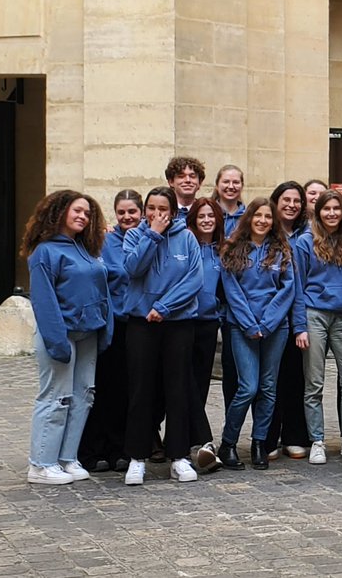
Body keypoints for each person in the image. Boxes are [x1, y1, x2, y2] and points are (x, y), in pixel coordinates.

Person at [24, 190, 112, 485]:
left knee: (84, 396)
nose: (83, 217)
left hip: (88, 334)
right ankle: (41, 464)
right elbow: (44, 301)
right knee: (56, 397)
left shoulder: (86, 249)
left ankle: (66, 458)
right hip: (60, 336)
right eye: (77, 211)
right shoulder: (45, 252)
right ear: (59, 212)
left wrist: (106, 327)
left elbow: (102, 290)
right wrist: (57, 341)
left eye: (87, 213)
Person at [122, 186, 203, 486]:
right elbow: (133, 269)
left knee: (177, 390)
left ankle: (179, 456)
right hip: (141, 323)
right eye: (152, 208)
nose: (157, 214)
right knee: (140, 390)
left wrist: (165, 307)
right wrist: (152, 235)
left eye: (163, 209)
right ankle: (137, 457)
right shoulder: (134, 236)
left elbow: (194, 278)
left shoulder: (187, 238)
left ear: (173, 211)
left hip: (178, 322)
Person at [217, 197, 297, 471]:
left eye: (268, 216)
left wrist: (268, 323)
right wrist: (250, 324)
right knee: (248, 387)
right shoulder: (233, 249)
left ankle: (260, 443)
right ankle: (228, 443)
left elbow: (287, 289)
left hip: (275, 328)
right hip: (242, 327)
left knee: (268, 388)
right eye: (258, 215)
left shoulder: (282, 250)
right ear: (249, 218)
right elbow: (232, 292)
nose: (263, 220)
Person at [293, 189, 342, 466]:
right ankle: (317, 440)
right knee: (314, 383)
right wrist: (299, 325)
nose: (332, 213)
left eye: (336, 208)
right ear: (318, 212)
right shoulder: (305, 242)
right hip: (314, 314)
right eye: (326, 209)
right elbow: (297, 286)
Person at [78, 189, 140, 473]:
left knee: (126, 390)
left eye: (132, 211)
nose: (127, 217)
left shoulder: (147, 238)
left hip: (135, 323)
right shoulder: (104, 241)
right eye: (122, 212)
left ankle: (120, 449)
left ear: (141, 212)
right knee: (101, 386)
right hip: (109, 323)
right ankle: (93, 449)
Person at [266, 181, 311, 461]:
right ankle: (268, 436)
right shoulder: (264, 232)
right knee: (270, 380)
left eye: (297, 201)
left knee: (295, 378)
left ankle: (295, 436)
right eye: (286, 200)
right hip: (270, 317)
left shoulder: (307, 234)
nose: (292, 205)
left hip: (298, 315)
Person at [185, 198, 225, 474]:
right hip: (185, 322)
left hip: (209, 324)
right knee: (185, 382)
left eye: (211, 215)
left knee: (200, 385)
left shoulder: (222, 250)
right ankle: (204, 440)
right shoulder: (186, 246)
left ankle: (192, 443)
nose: (207, 220)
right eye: (202, 216)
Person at [165, 156, 205, 220]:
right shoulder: (164, 211)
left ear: (200, 182)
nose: (187, 180)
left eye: (192, 176)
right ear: (171, 182)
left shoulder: (206, 211)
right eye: (181, 176)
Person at [212, 165, 246, 237]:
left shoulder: (248, 216)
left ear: (242, 186)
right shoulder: (208, 214)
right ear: (217, 185)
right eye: (226, 182)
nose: (231, 186)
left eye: (236, 182)